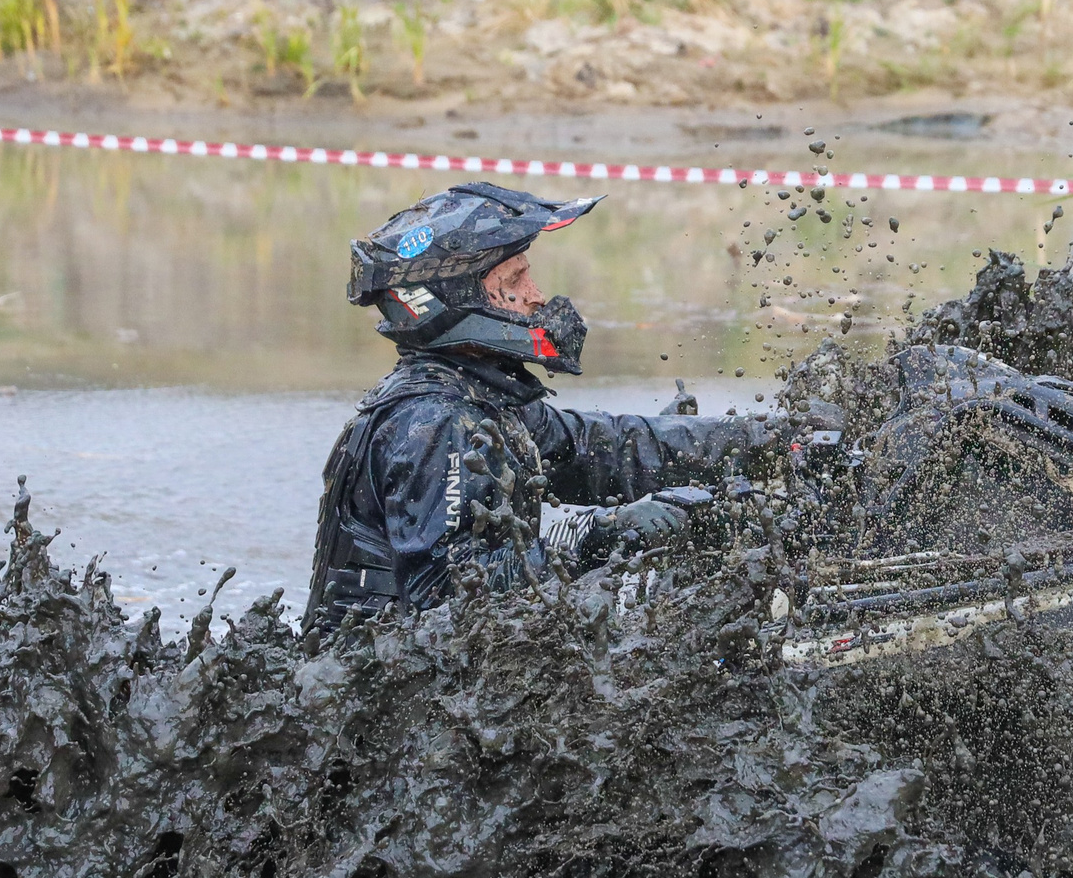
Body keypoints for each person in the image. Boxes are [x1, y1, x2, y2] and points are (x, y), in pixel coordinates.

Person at [306, 181, 776, 627]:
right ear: (457, 301)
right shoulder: (437, 421)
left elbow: (598, 450)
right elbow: (450, 602)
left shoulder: (481, 395)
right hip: (387, 697)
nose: (536, 296)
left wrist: (762, 442)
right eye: (516, 279)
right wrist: (600, 536)